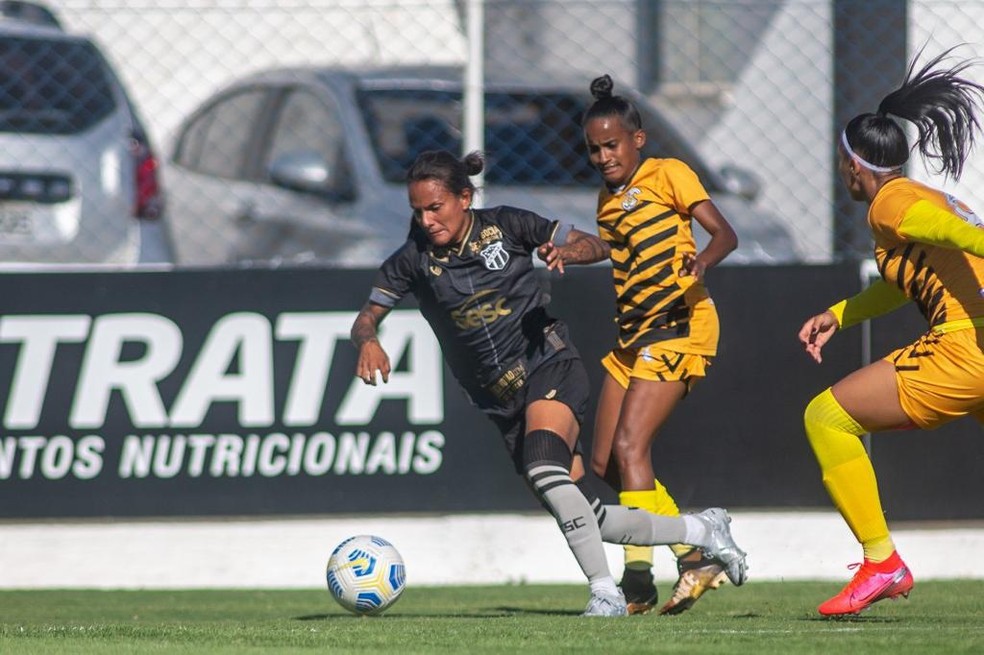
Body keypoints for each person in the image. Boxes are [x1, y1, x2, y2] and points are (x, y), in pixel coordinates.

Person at [351, 149, 748, 617]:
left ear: (464, 198)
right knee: (585, 513)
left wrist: (567, 252)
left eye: (435, 208)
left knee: (544, 468)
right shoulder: (412, 260)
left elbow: (596, 245)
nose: (426, 220)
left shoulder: (508, 224)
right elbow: (366, 316)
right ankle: (702, 531)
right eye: (418, 211)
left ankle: (605, 594)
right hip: (500, 402)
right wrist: (368, 340)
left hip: (548, 364)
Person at [798, 47, 984, 617]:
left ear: (855, 166)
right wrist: (841, 313)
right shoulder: (925, 195)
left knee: (826, 418)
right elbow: (907, 280)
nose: (841, 173)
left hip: (964, 348)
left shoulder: (889, 203)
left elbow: (945, 233)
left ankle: (882, 562)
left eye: (841, 162)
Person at [580, 74, 741, 615]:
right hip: (633, 336)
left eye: (612, 145)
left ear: (638, 140)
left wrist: (703, 260)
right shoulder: (606, 201)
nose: (604, 157)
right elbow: (612, 252)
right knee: (604, 460)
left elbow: (725, 233)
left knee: (631, 448)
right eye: (594, 149)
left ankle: (638, 579)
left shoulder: (669, 173)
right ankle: (695, 549)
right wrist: (572, 252)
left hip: (679, 324)